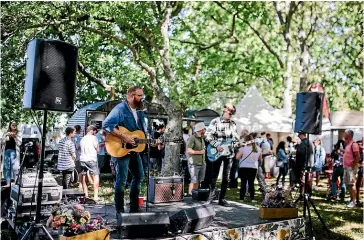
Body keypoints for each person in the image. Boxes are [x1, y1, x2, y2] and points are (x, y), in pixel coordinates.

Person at [103, 86, 146, 214]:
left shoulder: (140, 111)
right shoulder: (120, 109)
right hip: (119, 148)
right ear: (132, 96)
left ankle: (134, 208)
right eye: (140, 96)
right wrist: (124, 136)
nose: (142, 98)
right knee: (121, 180)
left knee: (139, 176)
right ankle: (120, 212)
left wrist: (152, 142)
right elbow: (106, 125)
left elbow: (140, 132)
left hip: (133, 150)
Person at [205, 103, 240, 206]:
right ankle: (210, 197)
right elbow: (208, 135)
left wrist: (238, 144)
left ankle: (222, 198)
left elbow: (235, 139)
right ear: (225, 110)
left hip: (229, 154)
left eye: (233, 112)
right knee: (213, 175)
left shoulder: (233, 123)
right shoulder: (215, 121)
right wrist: (217, 145)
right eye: (230, 111)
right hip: (217, 152)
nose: (231, 113)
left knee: (226, 177)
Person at [236, 135, 262, 201]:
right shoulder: (258, 148)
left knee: (243, 183)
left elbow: (237, 157)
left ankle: (241, 198)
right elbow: (260, 158)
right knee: (251, 183)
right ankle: (252, 198)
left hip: (243, 167)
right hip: (253, 167)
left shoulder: (243, 148)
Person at [80, 125, 100, 201]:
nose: (95, 133)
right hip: (91, 159)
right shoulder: (94, 138)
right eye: (95, 132)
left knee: (84, 176)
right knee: (96, 176)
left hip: (83, 159)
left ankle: (86, 195)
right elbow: (98, 149)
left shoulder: (82, 139)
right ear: (92, 131)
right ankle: (95, 196)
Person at [186, 122, 206, 196]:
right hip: (194, 164)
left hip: (202, 163)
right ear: (201, 129)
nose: (205, 130)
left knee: (198, 181)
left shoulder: (202, 138)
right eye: (204, 129)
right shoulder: (192, 138)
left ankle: (195, 195)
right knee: (193, 180)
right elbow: (188, 150)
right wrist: (200, 152)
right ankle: (190, 195)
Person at [343, 129, 360, 208]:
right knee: (348, 184)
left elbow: (357, 156)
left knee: (352, 184)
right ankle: (351, 199)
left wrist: (353, 165)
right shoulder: (348, 144)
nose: (343, 135)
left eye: (345, 134)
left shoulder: (354, 144)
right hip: (346, 167)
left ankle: (354, 201)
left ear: (348, 135)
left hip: (351, 168)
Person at [2, 121, 21, 187]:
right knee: (7, 167)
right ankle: (8, 183)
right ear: (10, 125)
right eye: (12, 124)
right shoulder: (6, 132)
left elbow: (20, 143)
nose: (14, 125)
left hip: (14, 151)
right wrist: (7, 136)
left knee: (15, 167)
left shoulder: (18, 133)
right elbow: (2, 142)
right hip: (6, 151)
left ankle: (16, 183)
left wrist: (15, 137)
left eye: (15, 124)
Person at [252, 132, 267, 198]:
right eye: (259, 137)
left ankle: (264, 194)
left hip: (256, 164)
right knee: (259, 179)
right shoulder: (254, 144)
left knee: (261, 179)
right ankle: (264, 194)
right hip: (254, 164)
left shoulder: (255, 143)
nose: (260, 138)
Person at [355, 139, 363, 205]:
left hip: (361, 170)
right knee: (355, 185)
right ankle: (355, 199)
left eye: (360, 144)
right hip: (354, 170)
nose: (359, 146)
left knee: (358, 185)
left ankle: (357, 199)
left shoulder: (362, 153)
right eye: (358, 144)